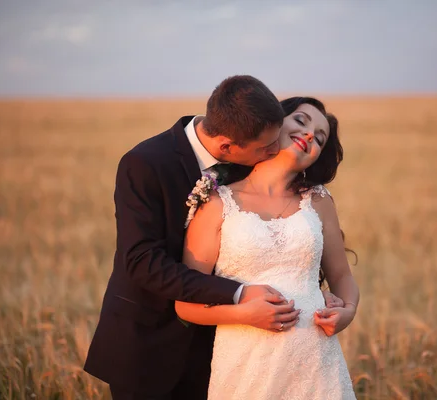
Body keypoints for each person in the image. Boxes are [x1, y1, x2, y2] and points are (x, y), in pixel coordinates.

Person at [83, 76, 343, 399]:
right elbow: (142, 262)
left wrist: (316, 296)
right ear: (227, 148)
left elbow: (273, 238)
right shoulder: (145, 164)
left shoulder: (250, 151)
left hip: (226, 351)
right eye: (266, 148)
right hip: (146, 347)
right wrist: (239, 295)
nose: (274, 150)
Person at [176, 97, 359, 399]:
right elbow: (185, 305)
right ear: (273, 123)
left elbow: (342, 277)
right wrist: (246, 314)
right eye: (301, 121)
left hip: (316, 365)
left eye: (320, 138)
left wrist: (348, 313)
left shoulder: (319, 201)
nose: (310, 134)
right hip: (245, 364)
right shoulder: (216, 202)